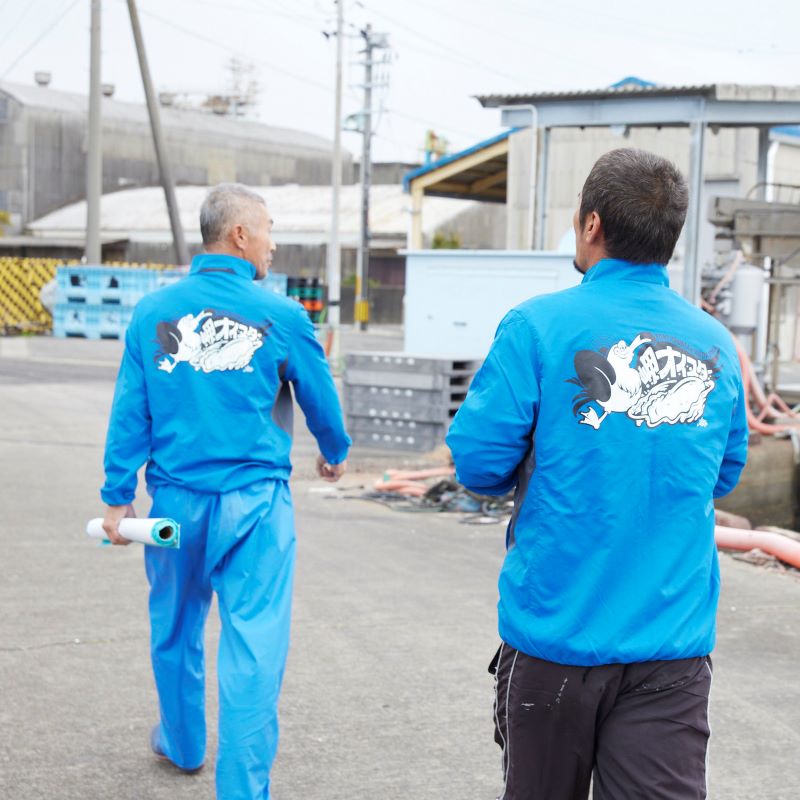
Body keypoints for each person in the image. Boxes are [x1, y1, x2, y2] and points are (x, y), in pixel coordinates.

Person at [447, 148, 748, 800]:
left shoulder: (535, 327)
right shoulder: (716, 343)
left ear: (591, 224)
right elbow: (724, 473)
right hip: (672, 650)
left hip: (556, 641)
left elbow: (476, 463)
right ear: (670, 236)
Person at [100, 183, 351, 799]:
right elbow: (322, 402)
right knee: (254, 648)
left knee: (174, 626)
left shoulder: (152, 313)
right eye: (267, 229)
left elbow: (131, 410)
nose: (272, 242)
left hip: (174, 508)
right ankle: (240, 790)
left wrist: (116, 494)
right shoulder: (284, 317)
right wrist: (334, 453)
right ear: (240, 236)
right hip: (256, 509)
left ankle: (183, 746)